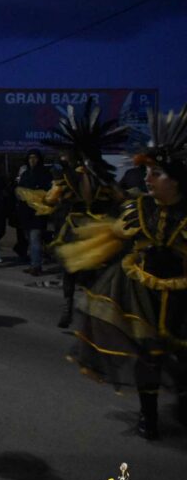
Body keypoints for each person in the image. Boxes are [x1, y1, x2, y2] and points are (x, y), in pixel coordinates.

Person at [54, 106, 182, 440]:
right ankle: (148, 416)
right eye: (147, 172)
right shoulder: (138, 207)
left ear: (177, 179)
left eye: (156, 173)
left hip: (182, 300)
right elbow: (113, 225)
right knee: (148, 356)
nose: (148, 179)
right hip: (143, 296)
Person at [19, 99, 127, 327]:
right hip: (102, 231)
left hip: (76, 228)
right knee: (98, 271)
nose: (63, 155)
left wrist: (43, 199)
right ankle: (92, 309)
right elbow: (121, 198)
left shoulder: (71, 176)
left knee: (71, 269)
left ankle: (70, 306)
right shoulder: (102, 175)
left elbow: (52, 198)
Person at [15, 149, 51, 276]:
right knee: (30, 239)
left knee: (35, 238)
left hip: (38, 212)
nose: (32, 160)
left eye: (35, 157)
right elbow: (20, 190)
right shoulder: (26, 174)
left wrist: (35, 195)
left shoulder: (44, 173)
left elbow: (48, 191)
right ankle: (33, 264)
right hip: (26, 212)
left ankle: (36, 266)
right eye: (30, 157)